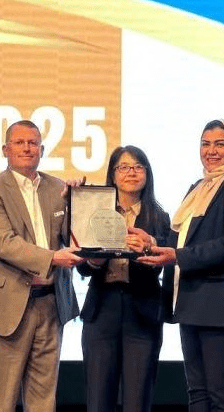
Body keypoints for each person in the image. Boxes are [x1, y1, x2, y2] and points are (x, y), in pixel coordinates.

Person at [138, 119, 224, 411]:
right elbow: (184, 240)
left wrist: (177, 257)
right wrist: (152, 242)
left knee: (222, 398)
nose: (211, 151)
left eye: (220, 144)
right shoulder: (199, 188)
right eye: (205, 144)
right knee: (197, 395)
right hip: (193, 303)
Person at [0, 119, 83, 412]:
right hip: (5, 308)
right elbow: (2, 242)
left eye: (33, 143)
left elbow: (74, 237)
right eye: (19, 142)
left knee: (44, 401)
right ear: (5, 150)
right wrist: (52, 258)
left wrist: (79, 203)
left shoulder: (58, 188)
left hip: (51, 304)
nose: (26, 148)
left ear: (42, 150)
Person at [78, 145, 171, 412]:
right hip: (101, 309)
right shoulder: (95, 211)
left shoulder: (160, 216)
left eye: (138, 167)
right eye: (124, 167)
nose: (131, 172)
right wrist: (93, 262)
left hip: (143, 312)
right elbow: (82, 267)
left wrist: (148, 248)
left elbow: (162, 265)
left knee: (138, 401)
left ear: (147, 174)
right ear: (113, 173)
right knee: (98, 399)